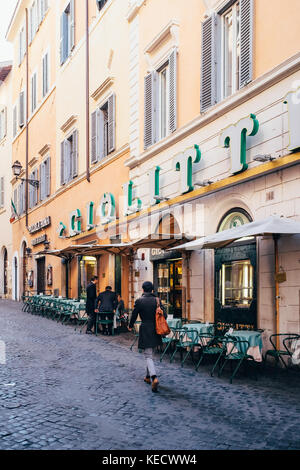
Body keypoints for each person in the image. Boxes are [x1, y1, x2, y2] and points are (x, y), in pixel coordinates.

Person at [128, 281, 166, 393]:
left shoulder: (140, 301)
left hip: (145, 328)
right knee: (151, 353)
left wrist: (130, 325)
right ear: (152, 290)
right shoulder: (157, 300)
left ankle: (154, 377)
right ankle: (148, 376)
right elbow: (165, 314)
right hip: (156, 329)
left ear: (143, 289)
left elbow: (134, 314)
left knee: (148, 355)